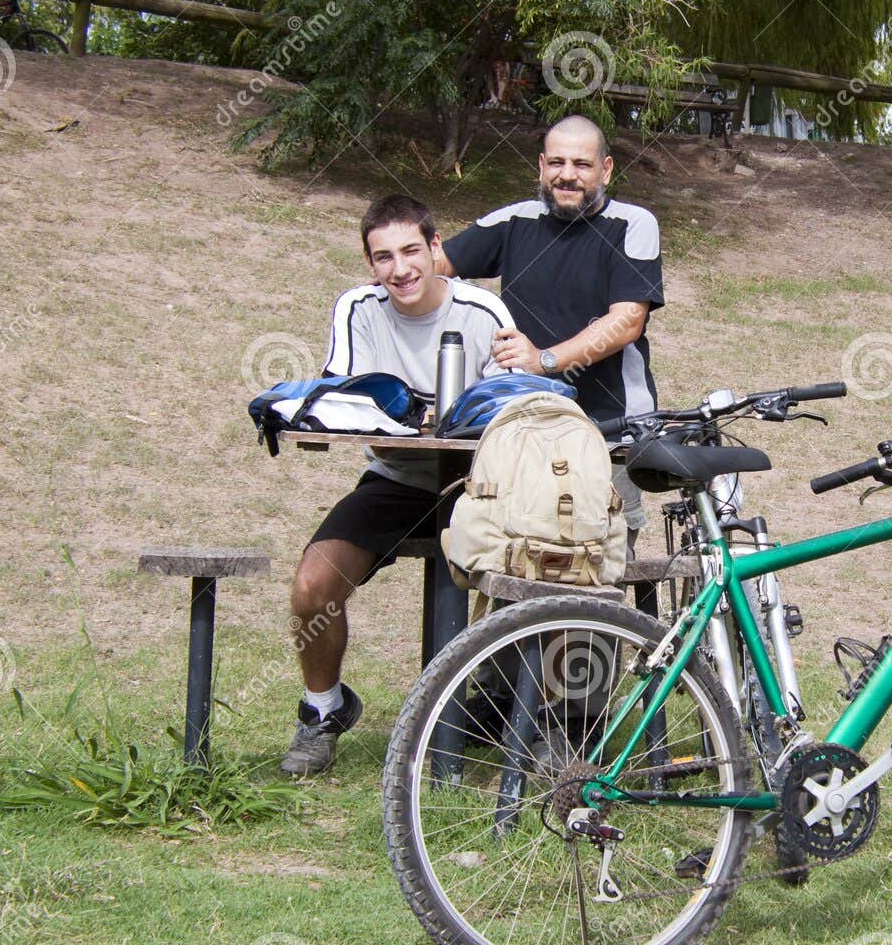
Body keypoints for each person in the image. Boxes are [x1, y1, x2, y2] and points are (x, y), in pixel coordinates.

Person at [281, 194, 511, 777]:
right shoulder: (358, 309)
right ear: (369, 264)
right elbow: (343, 405)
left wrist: (428, 419)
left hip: (477, 485)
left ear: (436, 248)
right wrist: (414, 422)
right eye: (383, 257)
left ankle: (512, 713)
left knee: (528, 578)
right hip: (396, 478)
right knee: (312, 585)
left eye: (412, 250)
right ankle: (323, 710)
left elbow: (510, 408)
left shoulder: (482, 311)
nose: (400, 268)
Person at [438, 114, 662, 547]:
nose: (567, 175)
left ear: (606, 170)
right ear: (541, 166)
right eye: (557, 162)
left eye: (581, 164)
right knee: (519, 548)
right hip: (524, 426)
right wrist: (394, 269)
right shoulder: (514, 220)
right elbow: (434, 266)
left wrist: (543, 361)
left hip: (611, 426)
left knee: (605, 556)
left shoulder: (633, 223)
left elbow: (627, 321)